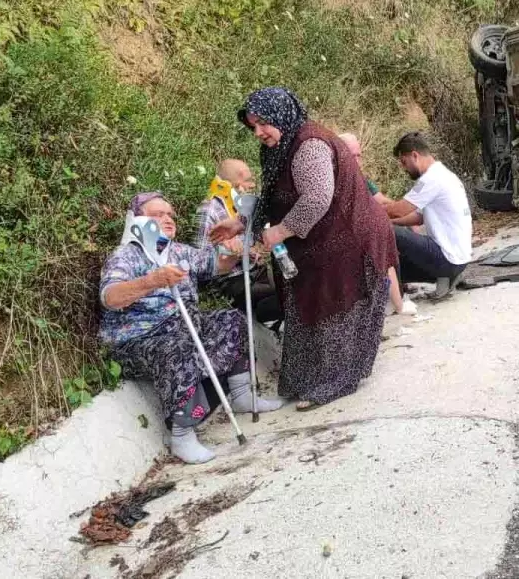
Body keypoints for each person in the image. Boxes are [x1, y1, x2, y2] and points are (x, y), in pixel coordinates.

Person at [209, 87, 398, 410]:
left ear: (280, 115)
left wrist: (281, 231)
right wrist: (241, 223)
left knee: (334, 308)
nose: (258, 132)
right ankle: (303, 380)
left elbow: (316, 198)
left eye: (263, 123)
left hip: (349, 239)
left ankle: (332, 382)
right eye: (253, 126)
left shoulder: (309, 145)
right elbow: (273, 196)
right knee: (304, 304)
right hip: (317, 243)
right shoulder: (281, 145)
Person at [99, 192, 284, 465]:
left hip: (185, 328)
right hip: (141, 339)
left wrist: (233, 253)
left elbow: (214, 265)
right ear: (138, 221)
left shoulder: (178, 251)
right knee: (178, 347)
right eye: (158, 215)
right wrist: (151, 281)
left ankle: (243, 396)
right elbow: (110, 297)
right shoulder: (126, 256)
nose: (168, 219)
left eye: (170, 214)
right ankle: (182, 434)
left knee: (231, 319)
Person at [383, 132, 473, 298]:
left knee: (386, 230)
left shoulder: (431, 179)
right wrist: (389, 219)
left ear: (414, 156)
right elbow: (417, 217)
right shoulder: (443, 175)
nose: (404, 168)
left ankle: (445, 275)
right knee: (396, 267)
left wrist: (369, 213)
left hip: (447, 258)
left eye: (404, 162)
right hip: (458, 260)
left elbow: (400, 209)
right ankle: (446, 278)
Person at [338, 132, 416, 316]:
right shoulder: (336, 181)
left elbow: (383, 202)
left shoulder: (361, 180)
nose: (357, 161)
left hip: (364, 231)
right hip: (347, 237)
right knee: (380, 236)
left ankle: (398, 292)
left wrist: (408, 215)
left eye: (359, 155)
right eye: (352, 156)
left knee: (386, 231)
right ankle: (398, 304)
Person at [194, 159, 282, 324]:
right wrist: (228, 252)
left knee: (294, 284)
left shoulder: (239, 210)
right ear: (238, 182)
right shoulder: (209, 210)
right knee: (289, 295)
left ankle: (269, 321)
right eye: (249, 181)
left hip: (255, 272)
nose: (252, 186)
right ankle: (262, 321)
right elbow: (199, 261)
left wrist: (251, 250)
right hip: (230, 281)